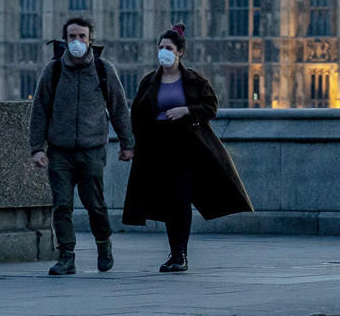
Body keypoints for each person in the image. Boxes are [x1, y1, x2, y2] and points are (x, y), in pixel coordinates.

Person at [122, 23, 253, 272]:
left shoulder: (194, 80)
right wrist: (135, 143)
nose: (163, 52)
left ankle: (180, 253)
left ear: (180, 52)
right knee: (169, 202)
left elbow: (210, 108)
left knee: (181, 199)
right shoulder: (149, 81)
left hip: (186, 146)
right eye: (161, 47)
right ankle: (175, 253)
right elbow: (137, 114)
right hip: (158, 148)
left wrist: (186, 110)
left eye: (168, 48)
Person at [28, 15, 135, 276]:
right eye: (72, 37)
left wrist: (127, 143)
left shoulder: (103, 69)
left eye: (81, 37)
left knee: (94, 204)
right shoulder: (53, 70)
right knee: (61, 205)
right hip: (60, 150)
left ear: (90, 40)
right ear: (65, 41)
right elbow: (40, 110)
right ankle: (66, 256)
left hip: (92, 149)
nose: (77, 41)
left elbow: (119, 108)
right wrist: (37, 148)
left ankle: (103, 244)